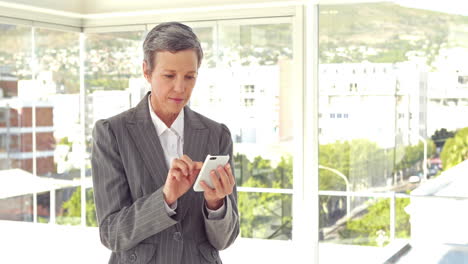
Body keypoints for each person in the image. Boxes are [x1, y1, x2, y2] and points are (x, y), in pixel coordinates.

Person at [91, 22, 239, 264]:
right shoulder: (112, 133)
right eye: (169, 76)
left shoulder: (217, 134)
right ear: (146, 72)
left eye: (189, 76)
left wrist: (216, 204)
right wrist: (166, 197)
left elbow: (225, 240)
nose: (180, 87)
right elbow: (112, 234)